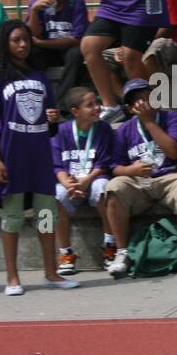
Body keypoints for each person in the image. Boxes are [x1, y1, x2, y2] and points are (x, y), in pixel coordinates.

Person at [0, 21, 79, 294]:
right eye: (16, 40)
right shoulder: (0, 78)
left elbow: (49, 118)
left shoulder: (40, 76)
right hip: (12, 155)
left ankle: (51, 272)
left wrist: (53, 118)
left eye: (26, 41)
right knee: (12, 217)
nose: (22, 45)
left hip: (40, 155)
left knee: (46, 214)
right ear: (5, 44)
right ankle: (12, 277)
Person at [103, 78, 177, 278]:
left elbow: (174, 152)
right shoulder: (124, 130)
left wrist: (149, 122)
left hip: (170, 175)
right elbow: (114, 167)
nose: (145, 103)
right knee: (113, 188)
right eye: (138, 101)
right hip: (139, 181)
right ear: (131, 109)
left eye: (148, 97)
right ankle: (122, 253)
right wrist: (130, 171)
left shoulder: (171, 118)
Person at [51, 87, 117, 274]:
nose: (97, 108)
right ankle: (65, 253)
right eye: (90, 105)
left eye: (97, 103)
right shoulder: (61, 131)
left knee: (104, 188)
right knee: (55, 197)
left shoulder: (103, 128)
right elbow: (56, 164)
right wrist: (66, 183)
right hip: (71, 183)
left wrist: (86, 180)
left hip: (94, 178)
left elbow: (104, 162)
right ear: (75, 112)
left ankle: (110, 247)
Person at [25, 0, 89, 104]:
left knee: (76, 54)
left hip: (67, 48)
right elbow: (33, 35)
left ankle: (60, 105)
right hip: (47, 50)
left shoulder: (75, 1)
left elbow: (76, 39)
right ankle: (37, 98)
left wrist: (42, 43)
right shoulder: (36, 3)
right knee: (33, 54)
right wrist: (35, 11)